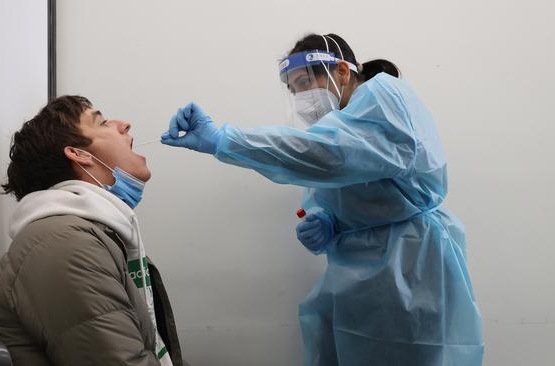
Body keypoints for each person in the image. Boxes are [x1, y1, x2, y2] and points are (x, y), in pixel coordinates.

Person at [161, 33, 484, 365]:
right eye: (292, 88)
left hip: (414, 269)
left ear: (343, 71)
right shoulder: (338, 126)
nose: (301, 95)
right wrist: (325, 220)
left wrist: (225, 141)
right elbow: (326, 186)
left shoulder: (384, 95)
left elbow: (333, 156)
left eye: (304, 81)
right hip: (357, 280)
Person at [0, 95, 183, 366]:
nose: (124, 124)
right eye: (102, 122)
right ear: (79, 154)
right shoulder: (65, 246)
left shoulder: (81, 235)